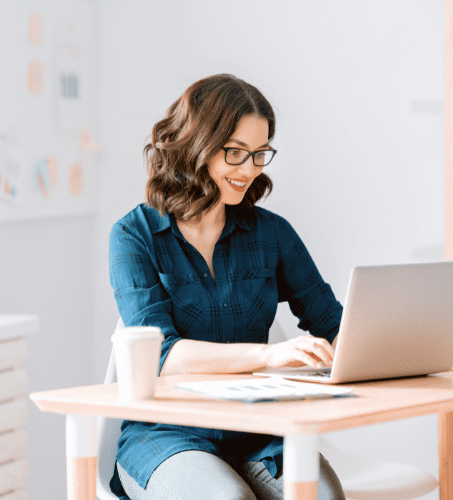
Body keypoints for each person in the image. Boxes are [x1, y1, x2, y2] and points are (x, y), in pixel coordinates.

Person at [108, 74, 346, 500]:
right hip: (167, 434)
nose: (249, 170)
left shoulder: (273, 233)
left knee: (323, 496)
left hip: (258, 428)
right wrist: (270, 355)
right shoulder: (134, 236)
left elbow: (333, 323)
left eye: (259, 154)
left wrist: (384, 347)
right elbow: (163, 355)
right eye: (234, 153)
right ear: (194, 144)